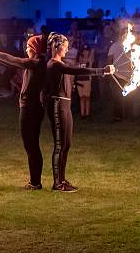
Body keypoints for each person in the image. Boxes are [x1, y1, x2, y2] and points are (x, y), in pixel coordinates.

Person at [45, 33, 114, 192]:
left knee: (66, 144)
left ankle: (62, 179)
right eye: (65, 45)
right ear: (58, 46)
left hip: (66, 105)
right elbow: (75, 70)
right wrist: (101, 70)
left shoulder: (60, 64)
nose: (68, 48)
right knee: (59, 145)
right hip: (57, 105)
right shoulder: (54, 65)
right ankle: (57, 183)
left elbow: (73, 71)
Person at [0, 34, 48, 189]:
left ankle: (35, 182)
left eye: (28, 46)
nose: (26, 48)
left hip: (30, 109)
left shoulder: (36, 63)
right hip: (33, 108)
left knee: (31, 146)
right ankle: (35, 181)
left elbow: (14, 60)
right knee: (31, 146)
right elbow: (14, 63)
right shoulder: (36, 63)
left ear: (34, 48)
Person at [75, 44, 95, 119]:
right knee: (81, 97)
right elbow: (76, 69)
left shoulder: (89, 61)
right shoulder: (79, 61)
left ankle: (87, 113)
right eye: (84, 51)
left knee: (87, 97)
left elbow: (90, 69)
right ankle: (82, 114)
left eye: (87, 51)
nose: (85, 52)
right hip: (80, 80)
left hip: (87, 80)